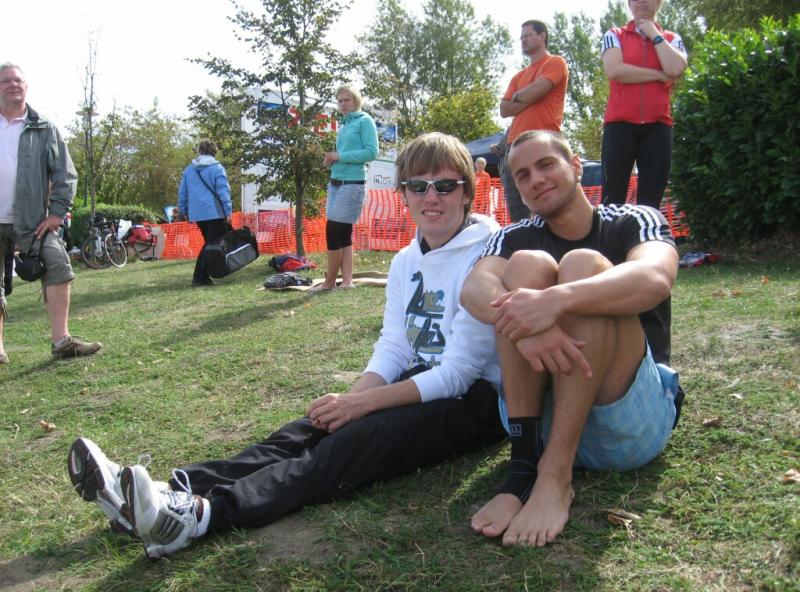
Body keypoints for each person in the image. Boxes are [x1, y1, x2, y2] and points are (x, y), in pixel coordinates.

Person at [68, 132, 506, 559]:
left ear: (467, 192)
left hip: (473, 401)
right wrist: (349, 402)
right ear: (403, 194)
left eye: (445, 185)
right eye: (418, 186)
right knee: (306, 430)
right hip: (420, 380)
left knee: (348, 446)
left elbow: (458, 374)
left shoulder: (485, 254)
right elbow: (394, 345)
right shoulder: (406, 259)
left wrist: (362, 407)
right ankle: (167, 490)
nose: (431, 197)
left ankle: (200, 515)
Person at [460, 130, 680, 547]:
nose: (536, 179)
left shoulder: (634, 219)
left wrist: (555, 302)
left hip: (626, 424)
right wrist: (532, 328)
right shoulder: (515, 236)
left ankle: (555, 475)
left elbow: (655, 277)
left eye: (546, 164)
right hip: (537, 422)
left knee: (583, 265)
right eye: (523, 175)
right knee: (526, 265)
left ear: (576, 166)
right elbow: (474, 288)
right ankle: (523, 468)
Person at [0, 63, 101, 365]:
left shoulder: (44, 128)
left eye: (18, 80)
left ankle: (62, 342)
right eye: (6, 81)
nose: (13, 84)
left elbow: (65, 173)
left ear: (26, 86)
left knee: (57, 264)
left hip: (33, 222)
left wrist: (57, 213)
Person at [600, 0, 688, 209]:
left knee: (651, 202)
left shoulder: (672, 39)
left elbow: (675, 68)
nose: (641, 1)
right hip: (619, 125)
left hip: (658, 127)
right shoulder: (614, 34)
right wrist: (658, 74)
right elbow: (615, 70)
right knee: (612, 199)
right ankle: (610, 233)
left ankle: (646, 232)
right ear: (629, 4)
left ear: (658, 3)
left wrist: (653, 34)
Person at [499, 20, 568, 223]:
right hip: (513, 145)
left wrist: (518, 96)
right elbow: (504, 109)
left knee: (549, 209)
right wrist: (529, 95)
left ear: (542, 36)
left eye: (528, 35)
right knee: (518, 215)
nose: (523, 40)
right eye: (521, 37)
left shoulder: (555, 62)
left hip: (544, 141)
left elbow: (539, 90)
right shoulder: (518, 76)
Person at [317, 84, 378, 291]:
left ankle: (329, 282)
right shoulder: (344, 124)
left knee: (333, 231)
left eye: (346, 100)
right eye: (340, 100)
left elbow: (371, 152)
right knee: (343, 232)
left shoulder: (364, 121)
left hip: (352, 184)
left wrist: (340, 156)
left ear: (356, 101)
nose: (343, 104)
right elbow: (343, 155)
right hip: (335, 182)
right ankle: (347, 281)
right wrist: (330, 161)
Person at [178, 140, 232, 286]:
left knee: (209, 244)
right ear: (214, 152)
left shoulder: (189, 170)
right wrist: (228, 211)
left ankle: (204, 277)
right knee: (210, 245)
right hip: (215, 212)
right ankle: (199, 277)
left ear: (199, 151)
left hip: (197, 214)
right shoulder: (217, 168)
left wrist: (184, 210)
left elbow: (182, 193)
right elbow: (223, 191)